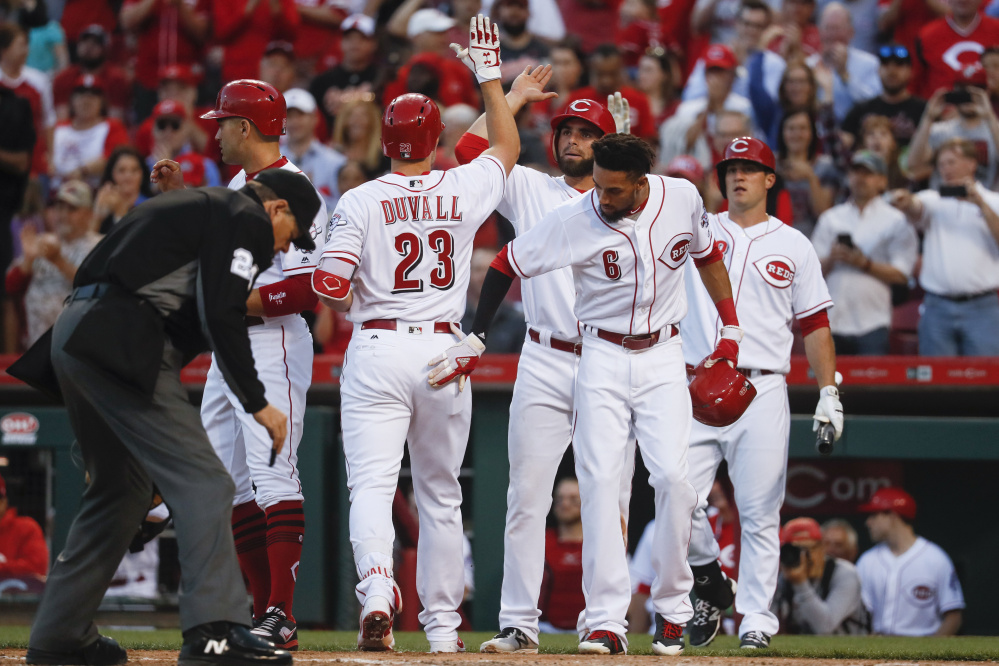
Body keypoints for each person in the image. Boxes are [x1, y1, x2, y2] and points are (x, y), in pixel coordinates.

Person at [454, 132, 744, 656]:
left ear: (641, 182)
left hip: (662, 353)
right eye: (600, 187)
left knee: (676, 480)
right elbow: (504, 264)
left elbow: (707, 255)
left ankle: (674, 608)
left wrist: (731, 328)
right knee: (600, 485)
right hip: (601, 355)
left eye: (614, 190)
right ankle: (607, 623)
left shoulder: (681, 197)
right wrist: (476, 333)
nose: (603, 199)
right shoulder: (577, 216)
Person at [18, 168, 318, 666]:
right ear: (277, 209)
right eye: (292, 234)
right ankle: (214, 633)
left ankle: (59, 636)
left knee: (120, 492)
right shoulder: (243, 215)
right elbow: (222, 313)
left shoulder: (199, 208)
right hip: (124, 343)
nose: (286, 249)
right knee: (208, 483)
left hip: (75, 338)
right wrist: (256, 401)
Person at [309, 15, 520, 653]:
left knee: (372, 484)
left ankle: (377, 589)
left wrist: (348, 285)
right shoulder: (459, 187)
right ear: (435, 138)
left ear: (386, 139)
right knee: (440, 494)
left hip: (376, 344)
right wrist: (491, 78)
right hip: (440, 348)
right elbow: (506, 148)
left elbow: (329, 286)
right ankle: (444, 630)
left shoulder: (361, 199)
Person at [451, 75, 637, 653]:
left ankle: (606, 620)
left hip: (609, 356)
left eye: (588, 133)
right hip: (543, 354)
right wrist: (514, 99)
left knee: (610, 494)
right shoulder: (531, 186)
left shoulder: (629, 201)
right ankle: (518, 622)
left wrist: (629, 153)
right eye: (568, 131)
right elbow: (467, 153)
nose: (575, 140)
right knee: (526, 494)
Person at [153, 78, 330, 650]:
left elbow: (309, 287)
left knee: (272, 470)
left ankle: (282, 612)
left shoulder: (294, 190)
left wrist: (231, 300)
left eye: (223, 122)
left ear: (246, 128)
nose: (217, 131)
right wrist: (181, 197)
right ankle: (258, 611)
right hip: (231, 344)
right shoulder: (237, 183)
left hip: (272, 340)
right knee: (225, 481)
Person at [682, 136, 841, 650]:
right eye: (731, 168)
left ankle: (756, 619)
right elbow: (639, 217)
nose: (738, 176)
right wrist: (626, 152)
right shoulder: (699, 229)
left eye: (750, 168)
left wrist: (828, 391)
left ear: (770, 179)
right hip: (697, 380)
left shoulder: (794, 243)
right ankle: (709, 581)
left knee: (758, 510)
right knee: (674, 493)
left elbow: (815, 323)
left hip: (763, 384)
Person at [889, 138, 999, 356]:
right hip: (937, 306)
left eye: (951, 162)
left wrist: (980, 204)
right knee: (934, 384)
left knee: (986, 382)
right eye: (941, 164)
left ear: (971, 164)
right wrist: (905, 201)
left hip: (982, 306)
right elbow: (916, 207)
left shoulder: (993, 200)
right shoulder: (933, 199)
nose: (946, 169)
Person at [811, 151, 918, 355]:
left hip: (873, 322)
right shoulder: (830, 218)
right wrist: (833, 258)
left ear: (882, 181)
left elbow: (902, 274)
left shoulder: (896, 220)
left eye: (867, 173)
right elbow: (810, 273)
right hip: (833, 319)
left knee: (873, 387)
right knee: (828, 386)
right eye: (855, 172)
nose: (860, 178)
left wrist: (864, 264)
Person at [856, 487, 965, 636]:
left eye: (874, 515)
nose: (869, 522)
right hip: (877, 645)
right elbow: (859, 613)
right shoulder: (867, 560)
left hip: (922, 644)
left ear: (892, 516)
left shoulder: (935, 558)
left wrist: (932, 651)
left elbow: (953, 616)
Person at [5, 180, 101, 347]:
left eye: (72, 209)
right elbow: (11, 287)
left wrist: (59, 262)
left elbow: (96, 289)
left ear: (89, 214)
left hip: (78, 347)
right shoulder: (43, 242)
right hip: (36, 347)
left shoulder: (100, 245)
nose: (63, 214)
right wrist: (28, 261)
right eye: (59, 207)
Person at [772, 517, 867, 634]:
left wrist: (800, 584)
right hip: (802, 650)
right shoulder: (786, 575)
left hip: (848, 650)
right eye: (795, 550)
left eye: (807, 549)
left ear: (822, 548)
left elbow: (825, 626)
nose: (802, 556)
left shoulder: (845, 573)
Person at [907, 84, 999, 189]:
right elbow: (913, 166)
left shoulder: (995, 130)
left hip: (984, 200)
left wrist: (989, 115)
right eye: (963, 93)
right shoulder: (938, 130)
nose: (968, 97)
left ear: (986, 93)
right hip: (943, 199)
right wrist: (928, 117)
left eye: (975, 92)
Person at [49, 75, 130, 190]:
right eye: (81, 94)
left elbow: (117, 158)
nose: (86, 100)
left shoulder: (112, 127)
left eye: (93, 95)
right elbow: (44, 156)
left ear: (102, 101)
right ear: (72, 99)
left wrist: (82, 170)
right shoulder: (58, 128)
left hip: (93, 190)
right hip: (56, 191)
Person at [805, 2, 881, 123]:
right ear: (819, 31)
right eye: (828, 28)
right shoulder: (808, 65)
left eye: (837, 29)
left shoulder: (870, 63)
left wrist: (845, 76)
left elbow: (875, 105)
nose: (832, 34)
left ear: (851, 32)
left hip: (857, 131)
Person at [840, 44, 926, 150]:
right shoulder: (860, 110)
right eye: (886, 65)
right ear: (878, 70)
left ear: (911, 71)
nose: (892, 71)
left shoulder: (924, 111)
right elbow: (841, 147)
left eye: (899, 65)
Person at [565, 44, 656, 140]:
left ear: (621, 70)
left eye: (612, 74)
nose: (606, 81)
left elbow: (648, 141)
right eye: (600, 74)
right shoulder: (577, 100)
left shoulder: (639, 100)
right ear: (592, 70)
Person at [913, 0, 999, 98]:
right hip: (941, 109)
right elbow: (915, 81)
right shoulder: (926, 35)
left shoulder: (997, 30)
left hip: (990, 109)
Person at [309, 14, 381, 129]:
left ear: (373, 44)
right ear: (339, 42)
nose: (355, 43)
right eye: (349, 38)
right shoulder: (322, 81)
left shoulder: (382, 78)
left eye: (362, 38)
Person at [280, 87, 346, 211]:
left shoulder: (336, 162)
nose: (294, 122)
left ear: (315, 118)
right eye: (289, 116)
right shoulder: (271, 160)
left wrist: (311, 192)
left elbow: (344, 207)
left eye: (300, 115)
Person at [776, 109, 838, 236]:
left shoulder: (825, 166)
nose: (797, 134)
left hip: (813, 239)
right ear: (782, 132)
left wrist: (811, 177)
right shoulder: (771, 165)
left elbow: (823, 213)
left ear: (812, 133)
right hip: (776, 239)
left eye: (803, 128)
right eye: (791, 128)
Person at [51, 24, 129, 122]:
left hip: (104, 131)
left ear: (105, 49)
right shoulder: (64, 78)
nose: (89, 47)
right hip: (72, 130)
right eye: (84, 42)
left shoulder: (116, 79)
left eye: (95, 43)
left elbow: (116, 118)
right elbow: (62, 118)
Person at [537, 477, 585, 634]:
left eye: (573, 499)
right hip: (544, 628)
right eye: (560, 499)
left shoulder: (601, 543)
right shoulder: (540, 540)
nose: (565, 504)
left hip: (590, 628)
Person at [0, 472, 48, 582]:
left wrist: (3, 567)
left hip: (18, 596)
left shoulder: (26, 528)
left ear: (4, 502)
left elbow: (37, 568)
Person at [94, 146, 153, 234]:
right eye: (122, 170)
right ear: (112, 174)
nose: (128, 176)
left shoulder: (152, 205)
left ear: (142, 174)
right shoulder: (104, 203)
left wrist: (120, 210)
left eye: (134, 170)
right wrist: (98, 214)